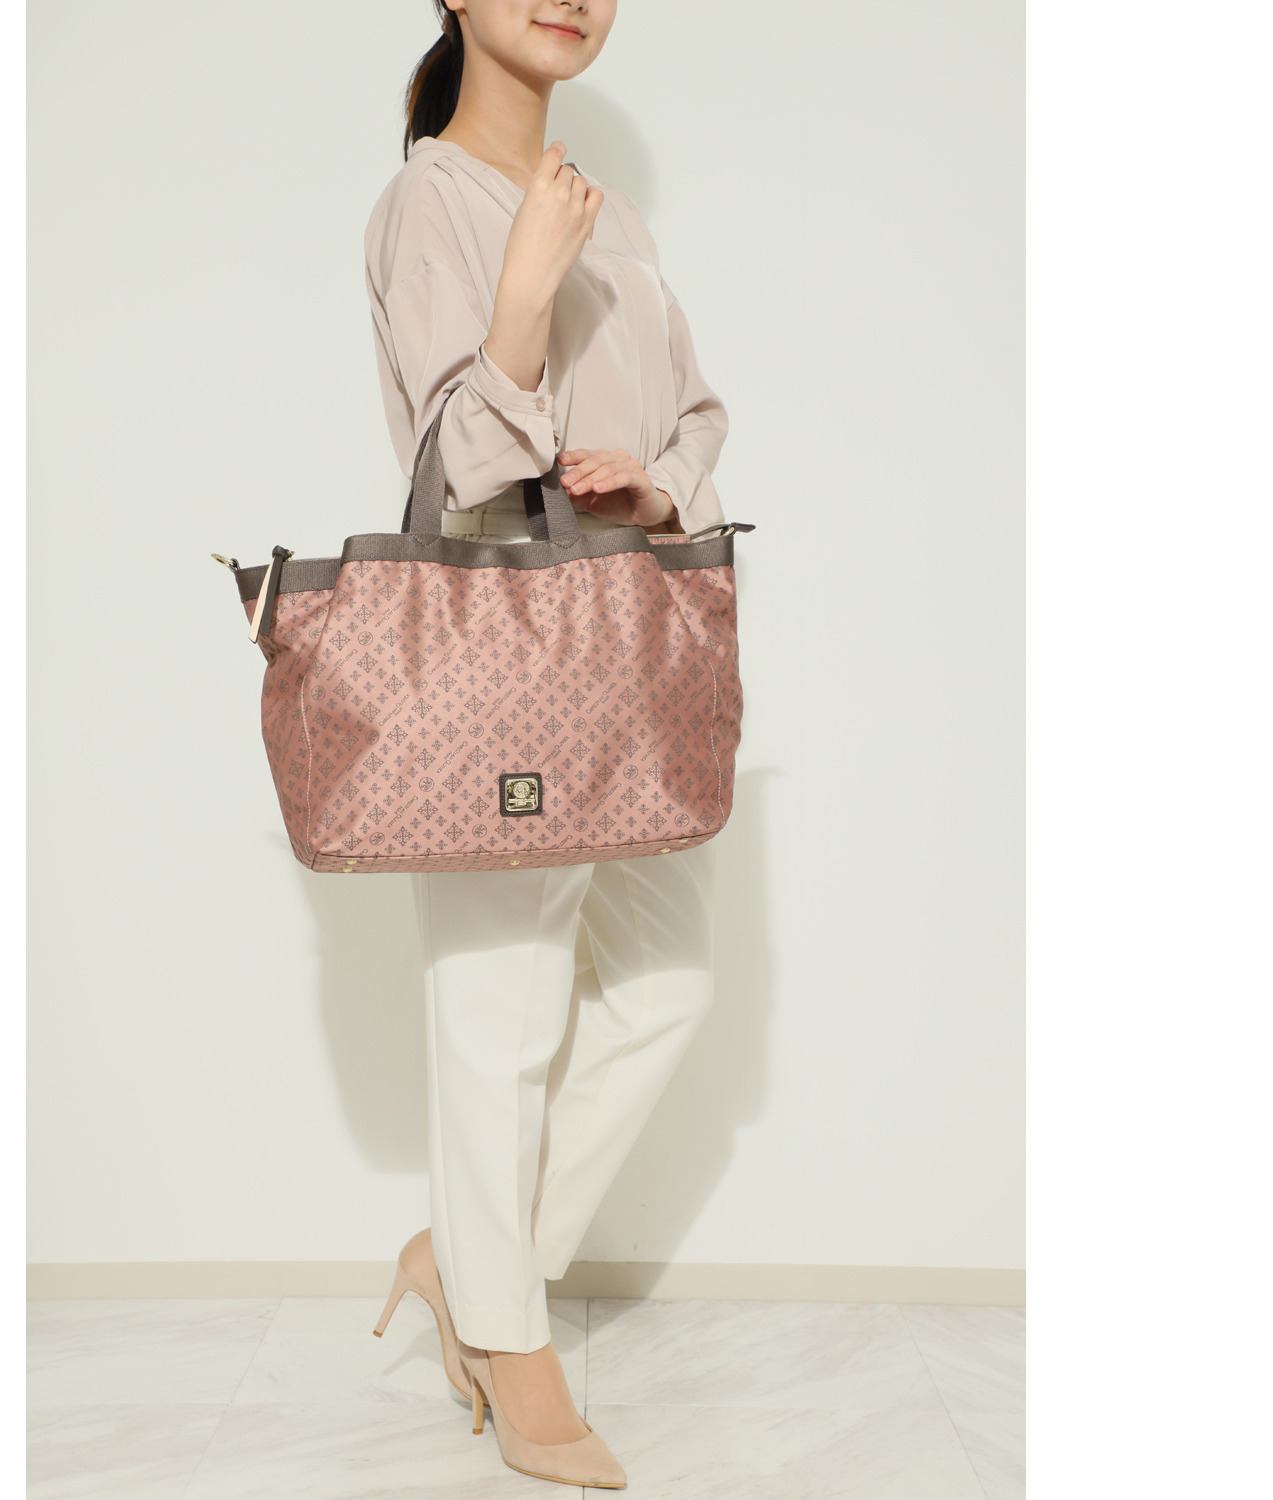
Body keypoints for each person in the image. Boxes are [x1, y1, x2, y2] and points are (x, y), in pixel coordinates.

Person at [364, 2, 729, 1487]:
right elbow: (456, 468)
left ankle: (465, 1260)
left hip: (630, 649)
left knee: (671, 983)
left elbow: (701, 416)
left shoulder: (610, 211)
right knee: (497, 1013)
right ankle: (511, 1341)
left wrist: (656, 484)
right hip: (498, 658)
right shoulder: (426, 203)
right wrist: (521, 298)